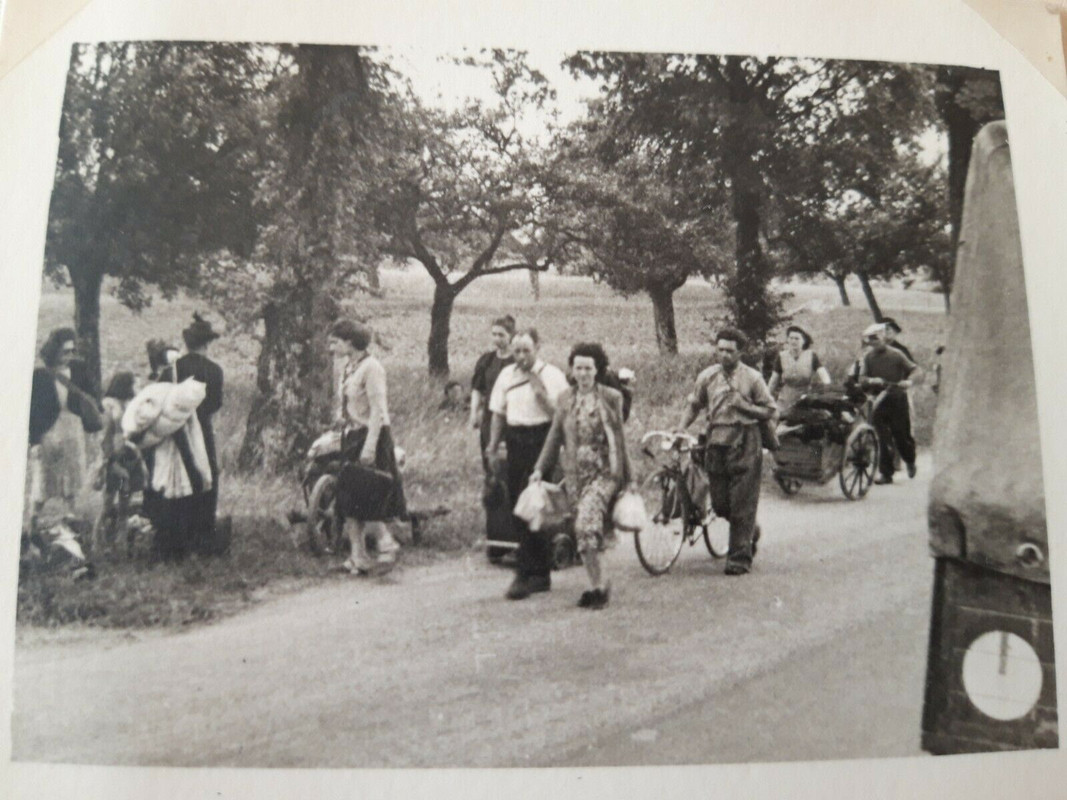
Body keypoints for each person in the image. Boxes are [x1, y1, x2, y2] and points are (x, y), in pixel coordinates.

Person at [531, 343, 632, 609]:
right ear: (572, 370)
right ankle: (597, 584)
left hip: (604, 473)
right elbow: (554, 438)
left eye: (588, 368)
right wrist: (540, 469)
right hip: (575, 475)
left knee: (585, 526)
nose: (583, 373)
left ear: (597, 370)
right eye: (578, 368)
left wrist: (629, 480)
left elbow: (620, 441)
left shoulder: (611, 397)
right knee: (585, 532)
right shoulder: (565, 399)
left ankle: (598, 588)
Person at [678, 328, 775, 576]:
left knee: (742, 502)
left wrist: (745, 407)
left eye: (730, 351)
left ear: (740, 352)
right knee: (721, 504)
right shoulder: (708, 376)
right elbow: (694, 405)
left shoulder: (752, 378)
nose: (724, 355)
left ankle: (739, 559)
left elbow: (769, 410)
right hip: (716, 442)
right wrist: (680, 428)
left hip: (746, 441)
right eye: (720, 350)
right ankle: (750, 532)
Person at [486, 328, 570, 599]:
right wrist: (492, 445)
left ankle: (530, 573)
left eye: (527, 351)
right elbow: (498, 413)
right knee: (516, 506)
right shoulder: (506, 375)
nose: (521, 356)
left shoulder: (553, 376)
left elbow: (561, 419)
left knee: (534, 503)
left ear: (538, 348)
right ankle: (534, 571)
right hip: (515, 441)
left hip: (543, 440)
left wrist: (540, 394)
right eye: (517, 351)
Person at [328, 318, 408, 576]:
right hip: (352, 435)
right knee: (349, 499)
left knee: (369, 495)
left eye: (335, 342)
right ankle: (357, 556)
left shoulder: (372, 368)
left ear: (350, 343)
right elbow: (351, 403)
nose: (332, 347)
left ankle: (387, 544)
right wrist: (343, 418)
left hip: (372, 437)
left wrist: (370, 448)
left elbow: (378, 411)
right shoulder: (348, 367)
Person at [28, 328, 101, 523]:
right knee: (44, 474)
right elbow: (32, 412)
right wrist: (34, 442)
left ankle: (71, 516)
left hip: (73, 425)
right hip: (48, 429)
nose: (69, 356)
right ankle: (34, 518)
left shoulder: (78, 368)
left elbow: (91, 394)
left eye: (72, 351)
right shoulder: (40, 375)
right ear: (54, 350)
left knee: (73, 472)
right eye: (65, 352)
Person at [857, 323, 923, 484]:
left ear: (884, 338)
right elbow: (862, 379)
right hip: (878, 401)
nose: (874, 343)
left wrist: (908, 381)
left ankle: (910, 460)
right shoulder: (868, 357)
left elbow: (916, 370)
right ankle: (886, 473)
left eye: (877, 339)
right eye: (871, 340)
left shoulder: (897, 355)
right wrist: (871, 380)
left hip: (897, 400)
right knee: (882, 437)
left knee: (902, 436)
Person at [96, 371, 145, 553]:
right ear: (126, 386)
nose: (139, 389)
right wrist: (109, 460)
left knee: (125, 500)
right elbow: (104, 437)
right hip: (113, 459)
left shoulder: (128, 405)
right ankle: (99, 541)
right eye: (136, 385)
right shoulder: (110, 406)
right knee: (108, 501)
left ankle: (120, 541)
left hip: (127, 457)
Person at [470, 315, 516, 469]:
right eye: (494, 334)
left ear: (511, 335)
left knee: (509, 459)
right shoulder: (487, 360)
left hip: (512, 416)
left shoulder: (517, 360)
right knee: (489, 457)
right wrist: (474, 413)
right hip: (489, 416)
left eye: (501, 335)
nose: (497, 338)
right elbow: (477, 388)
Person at [766, 325, 831, 412]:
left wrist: (823, 391)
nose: (793, 341)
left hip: (805, 400)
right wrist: (765, 399)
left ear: (803, 341)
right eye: (791, 338)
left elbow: (824, 376)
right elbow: (773, 381)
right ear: (787, 340)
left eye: (797, 338)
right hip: (785, 400)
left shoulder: (811, 355)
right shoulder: (781, 356)